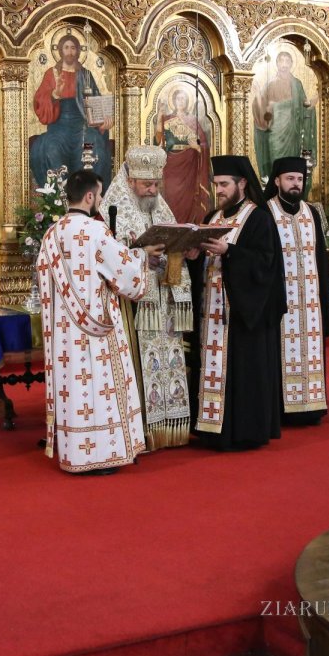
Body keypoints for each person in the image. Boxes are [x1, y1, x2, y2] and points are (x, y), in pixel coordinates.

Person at [36, 169, 164, 474]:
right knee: (99, 389)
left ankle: (75, 455)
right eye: (100, 194)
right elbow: (128, 278)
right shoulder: (95, 232)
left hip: (65, 335)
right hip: (98, 332)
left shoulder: (51, 235)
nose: (101, 200)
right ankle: (102, 456)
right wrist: (142, 255)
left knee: (75, 391)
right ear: (90, 196)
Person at [189, 155, 286, 451]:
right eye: (216, 184)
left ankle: (242, 431)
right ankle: (210, 429)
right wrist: (192, 255)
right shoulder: (212, 219)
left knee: (242, 373)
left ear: (242, 183)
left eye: (224, 184)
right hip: (211, 312)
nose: (218, 190)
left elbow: (266, 264)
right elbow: (203, 264)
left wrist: (230, 251)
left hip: (242, 315)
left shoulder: (258, 218)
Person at [103, 145, 193, 450]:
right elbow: (107, 259)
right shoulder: (111, 210)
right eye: (147, 185)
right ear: (131, 181)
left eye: (156, 184)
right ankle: (142, 430)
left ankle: (170, 426)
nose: (153, 190)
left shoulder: (159, 206)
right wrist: (141, 257)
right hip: (135, 307)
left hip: (164, 299)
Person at [263, 157, 329, 426]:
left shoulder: (312, 212)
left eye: (299, 179)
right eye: (290, 179)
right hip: (281, 299)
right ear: (277, 181)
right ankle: (282, 409)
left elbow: (321, 260)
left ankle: (311, 406)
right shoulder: (266, 211)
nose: (296, 184)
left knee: (311, 350)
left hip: (310, 300)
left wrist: (325, 303)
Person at [30, 33, 112, 188]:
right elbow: (40, 101)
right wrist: (55, 94)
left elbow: (96, 103)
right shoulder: (51, 73)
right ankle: (58, 198)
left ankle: (88, 195)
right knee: (50, 148)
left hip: (83, 127)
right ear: (60, 50)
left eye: (73, 48)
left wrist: (103, 123)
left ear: (78, 51)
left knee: (95, 147)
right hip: (58, 128)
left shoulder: (86, 75)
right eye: (66, 47)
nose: (70, 51)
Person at [253, 50, 316, 182]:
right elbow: (261, 108)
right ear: (276, 63)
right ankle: (274, 189)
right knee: (276, 161)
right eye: (281, 61)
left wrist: (309, 105)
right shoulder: (270, 84)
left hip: (293, 133)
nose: (284, 64)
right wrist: (263, 100)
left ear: (292, 63)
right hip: (275, 131)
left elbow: (304, 106)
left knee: (291, 164)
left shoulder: (297, 84)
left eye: (287, 61)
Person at [156, 88, 211, 225]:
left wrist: (197, 147)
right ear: (173, 101)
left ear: (187, 102)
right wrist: (159, 118)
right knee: (171, 196)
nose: (181, 102)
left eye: (183, 99)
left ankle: (186, 227)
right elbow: (159, 140)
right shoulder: (167, 119)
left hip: (189, 166)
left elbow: (204, 145)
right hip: (171, 165)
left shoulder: (193, 121)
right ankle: (171, 227)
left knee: (188, 198)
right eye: (178, 99)